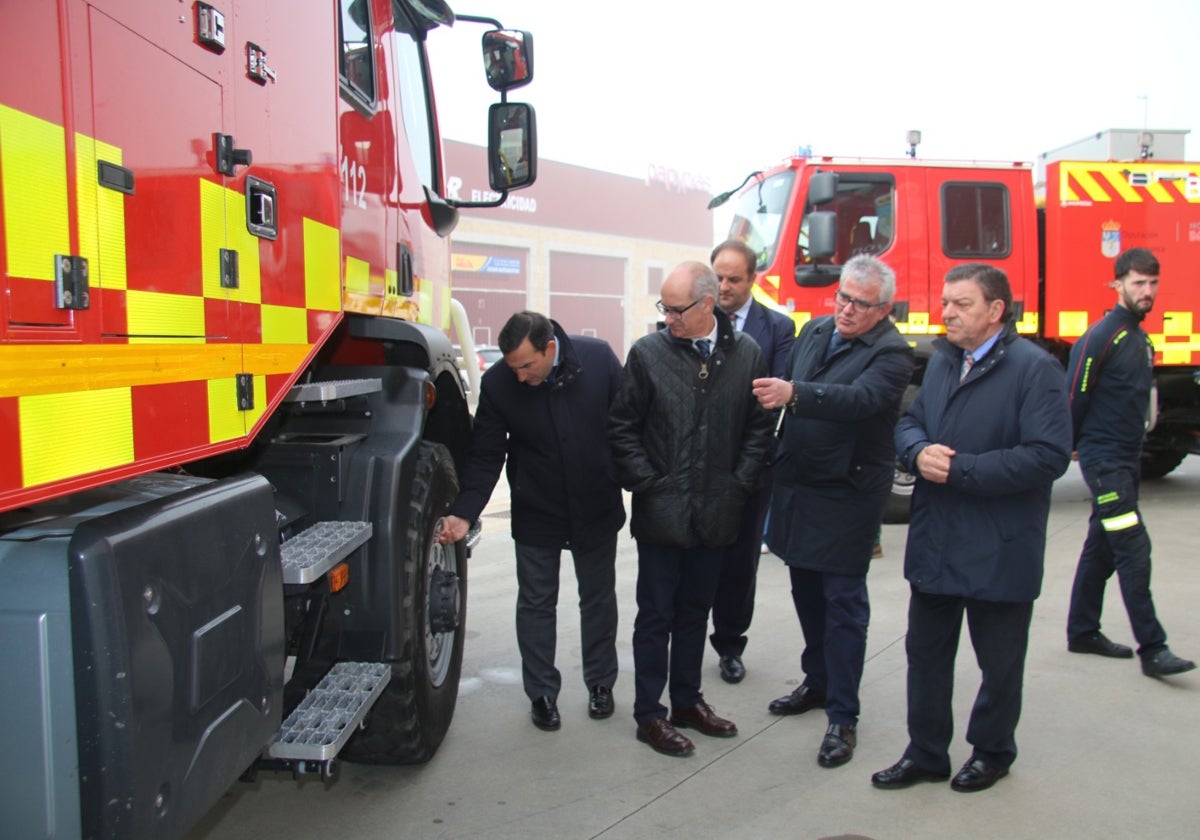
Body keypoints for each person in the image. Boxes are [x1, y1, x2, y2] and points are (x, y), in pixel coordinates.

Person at [872, 264, 1072, 793]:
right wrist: (916, 451)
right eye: (945, 302)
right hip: (938, 539)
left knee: (999, 663)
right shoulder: (942, 360)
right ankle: (926, 752)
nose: (947, 312)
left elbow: (1048, 455)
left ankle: (992, 751)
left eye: (961, 304)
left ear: (995, 312)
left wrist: (959, 469)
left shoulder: (1035, 369)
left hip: (999, 545)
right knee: (927, 654)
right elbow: (908, 421)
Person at [751, 255, 914, 768]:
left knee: (842, 602)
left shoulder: (893, 353)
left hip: (847, 492)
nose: (846, 309)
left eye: (860, 304)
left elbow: (859, 400)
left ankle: (843, 715)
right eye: (842, 296)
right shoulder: (816, 329)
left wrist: (795, 394)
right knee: (805, 591)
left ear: (883, 308)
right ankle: (817, 682)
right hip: (799, 483)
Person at [609, 261, 774, 757]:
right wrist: (651, 484)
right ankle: (649, 714)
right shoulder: (647, 354)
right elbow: (621, 428)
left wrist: (738, 484)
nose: (668, 318)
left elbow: (758, 429)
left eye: (677, 309)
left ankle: (686, 702)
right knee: (655, 615)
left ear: (708, 305)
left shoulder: (746, 354)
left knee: (695, 613)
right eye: (664, 308)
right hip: (663, 514)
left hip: (718, 513)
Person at [436, 311, 626, 731]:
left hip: (595, 504)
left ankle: (601, 683)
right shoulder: (500, 384)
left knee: (598, 599)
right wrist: (466, 512)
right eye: (512, 367)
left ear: (550, 349)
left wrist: (634, 480)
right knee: (536, 604)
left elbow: (627, 425)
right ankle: (541, 693)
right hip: (536, 506)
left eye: (528, 365)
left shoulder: (597, 361)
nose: (520, 376)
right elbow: (487, 454)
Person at [1064, 248, 1195, 677]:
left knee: (1100, 547)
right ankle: (1153, 649)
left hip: (1127, 458)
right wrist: (1072, 442)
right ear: (1117, 284)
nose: (1147, 291)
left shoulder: (1138, 336)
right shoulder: (1103, 336)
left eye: (1153, 283)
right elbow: (1075, 394)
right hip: (1106, 463)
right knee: (1134, 548)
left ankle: (1082, 631)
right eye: (1139, 283)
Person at [708, 239, 796, 684]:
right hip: (697, 463)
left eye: (733, 279)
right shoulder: (693, 318)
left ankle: (729, 644)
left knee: (740, 562)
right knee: (695, 556)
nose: (723, 286)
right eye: (717, 277)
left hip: (751, 463)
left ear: (753, 280)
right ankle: (684, 635)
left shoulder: (778, 328)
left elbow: (772, 397)